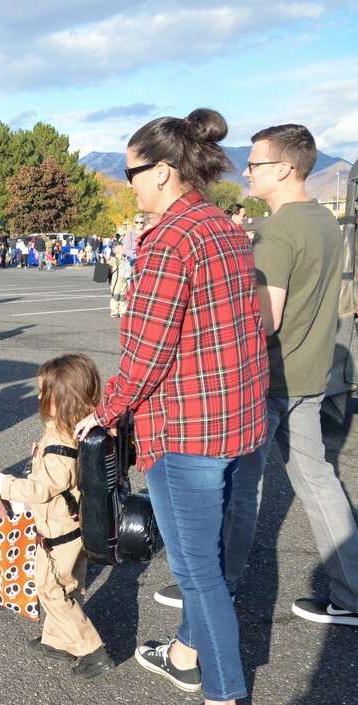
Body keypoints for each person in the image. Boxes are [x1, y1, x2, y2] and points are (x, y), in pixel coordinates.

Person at [73, 108, 267, 705]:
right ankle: (186, 653)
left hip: (189, 430)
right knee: (206, 555)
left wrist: (102, 412)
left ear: (162, 171)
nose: (127, 181)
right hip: (237, 419)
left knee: (197, 573)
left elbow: (148, 350)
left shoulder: (170, 240)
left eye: (132, 171)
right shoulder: (222, 226)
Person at [156, 124, 358, 628]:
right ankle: (350, 592)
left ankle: (218, 586)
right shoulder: (324, 223)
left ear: (285, 169)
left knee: (241, 488)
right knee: (318, 481)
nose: (245, 171)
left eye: (255, 163)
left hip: (267, 378)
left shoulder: (278, 229)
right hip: (311, 374)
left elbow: (262, 320)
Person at [0, 353, 114, 679]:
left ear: (61, 400)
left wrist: (2, 483)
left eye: (44, 393)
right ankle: (57, 640)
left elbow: (40, 490)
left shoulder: (60, 446)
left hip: (59, 533)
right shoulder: (73, 430)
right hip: (74, 527)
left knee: (52, 590)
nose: (39, 398)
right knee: (68, 585)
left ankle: (90, 649)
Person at [107, 241, 132, 318]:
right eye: (122, 249)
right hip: (116, 281)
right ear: (117, 251)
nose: (124, 250)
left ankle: (122, 311)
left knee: (123, 297)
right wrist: (104, 259)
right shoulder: (114, 259)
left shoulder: (125, 259)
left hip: (124, 281)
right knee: (115, 296)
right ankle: (114, 311)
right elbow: (108, 264)